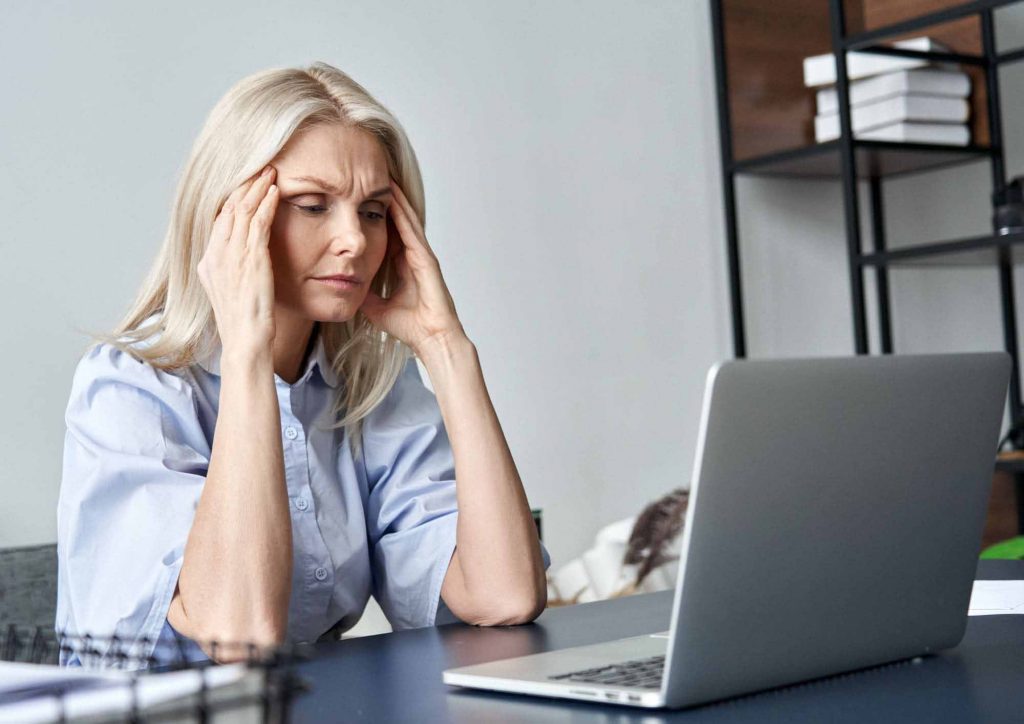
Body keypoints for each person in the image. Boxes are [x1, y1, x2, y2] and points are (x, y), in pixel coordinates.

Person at [56, 61, 550, 668]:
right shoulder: (128, 387)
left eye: (372, 212)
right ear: (228, 217)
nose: (355, 241)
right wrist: (247, 353)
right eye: (313, 205)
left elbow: (504, 596)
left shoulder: (370, 385)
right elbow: (237, 632)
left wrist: (446, 348)